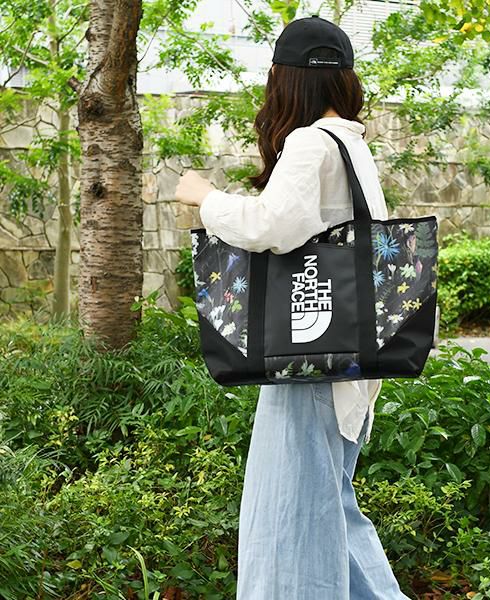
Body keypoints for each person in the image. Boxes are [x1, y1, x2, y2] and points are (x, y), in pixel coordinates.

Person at [176, 14, 412, 600]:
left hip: (310, 360)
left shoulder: (311, 142)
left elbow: (272, 227)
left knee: (290, 522)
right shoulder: (352, 144)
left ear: (285, 80)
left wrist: (205, 198)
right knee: (331, 512)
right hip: (345, 359)